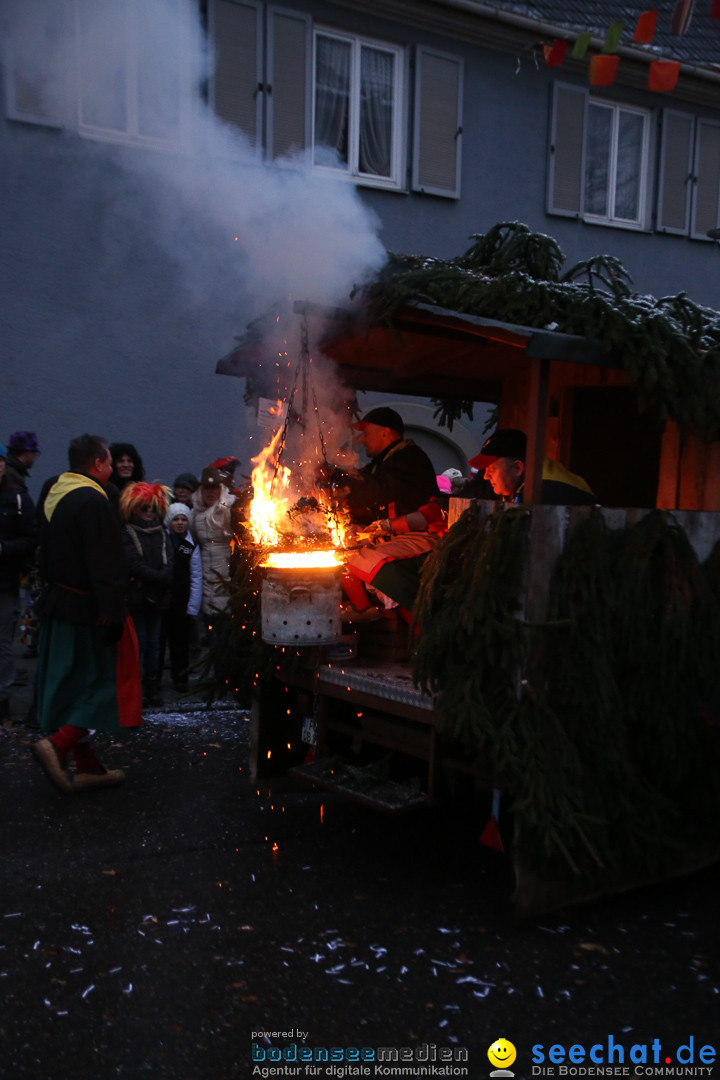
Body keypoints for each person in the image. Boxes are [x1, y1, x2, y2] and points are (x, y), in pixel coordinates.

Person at [33, 434, 141, 793]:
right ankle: (59, 744)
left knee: (73, 684)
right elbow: (106, 564)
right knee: (101, 684)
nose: (113, 469)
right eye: (110, 462)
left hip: (59, 604)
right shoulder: (93, 501)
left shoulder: (55, 492)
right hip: (87, 611)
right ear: (97, 464)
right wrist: (113, 613)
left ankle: (87, 766)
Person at [327, 407, 439, 526]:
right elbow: (361, 478)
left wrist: (336, 477)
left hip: (415, 537)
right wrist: (331, 476)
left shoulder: (409, 458)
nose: (361, 439)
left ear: (385, 433)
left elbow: (377, 491)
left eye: (366, 433)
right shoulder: (382, 463)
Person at [119, 482, 174, 707]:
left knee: (155, 645)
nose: (148, 511)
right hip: (137, 600)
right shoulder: (127, 533)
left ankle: (152, 686)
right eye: (144, 507)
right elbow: (132, 564)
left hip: (157, 600)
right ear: (133, 508)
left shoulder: (161, 532)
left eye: (152, 507)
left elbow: (170, 560)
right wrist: (159, 578)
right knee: (139, 645)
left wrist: (161, 578)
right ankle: (137, 689)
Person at [0, 442, 37, 724]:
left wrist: (4, 549)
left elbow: (30, 538)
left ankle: (3, 702)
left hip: (5, 583)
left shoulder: (17, 497)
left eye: (0, 461)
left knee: (3, 642)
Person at [468, 429, 596, 505]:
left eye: (491, 469)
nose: (485, 476)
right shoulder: (539, 472)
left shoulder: (537, 493)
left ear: (518, 468)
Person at [161, 503, 202, 692]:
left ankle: (181, 678)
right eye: (176, 519)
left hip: (181, 602)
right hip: (162, 600)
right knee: (159, 642)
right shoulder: (163, 541)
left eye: (183, 519)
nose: (179, 523)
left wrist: (192, 606)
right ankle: (155, 678)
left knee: (180, 643)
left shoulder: (190, 545)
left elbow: (196, 576)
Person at [191, 466, 237, 637]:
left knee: (225, 632)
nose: (210, 493)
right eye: (207, 489)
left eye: (214, 488)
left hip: (226, 576)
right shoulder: (194, 515)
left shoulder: (230, 509)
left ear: (220, 489)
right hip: (204, 580)